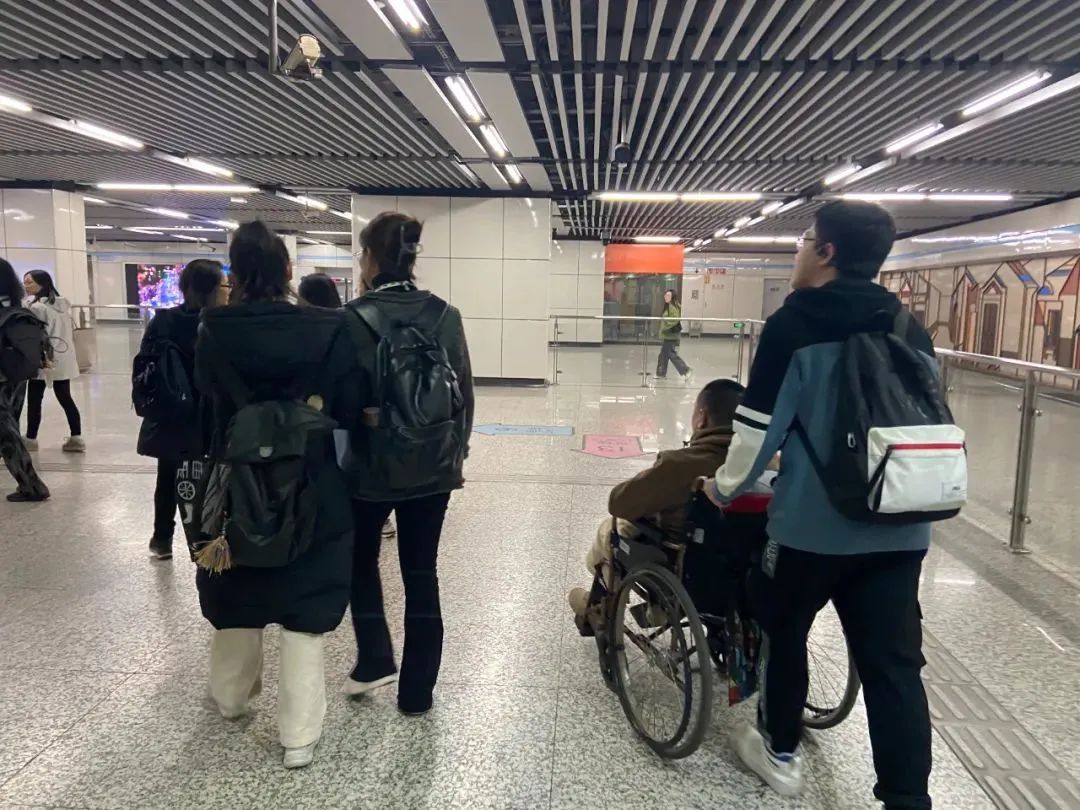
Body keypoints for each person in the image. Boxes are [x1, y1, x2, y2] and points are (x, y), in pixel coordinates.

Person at [704, 201, 935, 808]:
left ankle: (780, 752)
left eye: (806, 240)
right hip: (900, 525)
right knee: (894, 667)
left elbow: (757, 430)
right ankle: (908, 798)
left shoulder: (793, 324)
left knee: (784, 629)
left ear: (827, 252)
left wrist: (723, 488)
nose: (799, 251)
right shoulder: (907, 324)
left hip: (812, 527)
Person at [193, 221, 358, 769]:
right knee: (306, 598)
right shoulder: (329, 327)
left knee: (235, 585)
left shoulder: (213, 328)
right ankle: (298, 736)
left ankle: (231, 697)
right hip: (311, 476)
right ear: (288, 270)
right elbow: (348, 402)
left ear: (234, 272)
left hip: (236, 478)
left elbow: (205, 402)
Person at [342, 211, 474, 716]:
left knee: (360, 562)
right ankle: (417, 693)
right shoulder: (445, 315)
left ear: (371, 257)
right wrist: (454, 453)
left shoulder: (353, 318)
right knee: (421, 574)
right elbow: (464, 395)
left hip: (370, 469)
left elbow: (342, 401)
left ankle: (375, 656)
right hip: (433, 466)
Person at [566, 379, 744, 617]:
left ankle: (603, 609)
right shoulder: (771, 467)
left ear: (701, 417)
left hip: (686, 572)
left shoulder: (681, 465)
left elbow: (619, 503)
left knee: (611, 529)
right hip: (746, 573)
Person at [135, 259, 225, 560]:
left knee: (167, 475)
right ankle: (210, 539)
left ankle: (162, 538)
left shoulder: (163, 320)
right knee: (215, 475)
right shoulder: (219, 321)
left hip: (171, 408)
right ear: (213, 288)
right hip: (211, 411)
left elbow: (146, 362)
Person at [297, 271, 396, 540]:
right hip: (354, 409)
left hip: (328, 408)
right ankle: (378, 517)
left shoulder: (313, 328)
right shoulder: (349, 321)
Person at [0, 259, 50, 502]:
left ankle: (32, 486)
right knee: (10, 428)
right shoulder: (16, 306)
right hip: (18, 375)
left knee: (6, 433)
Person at [22, 270, 83, 452]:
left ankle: (31, 439)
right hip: (63, 358)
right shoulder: (62, 304)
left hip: (43, 359)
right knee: (65, 397)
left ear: (41, 283)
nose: (26, 286)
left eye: (29, 282)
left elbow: (32, 334)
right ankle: (77, 437)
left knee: (34, 399)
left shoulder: (37, 308)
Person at [656, 289, 691, 379]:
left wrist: (665, 326)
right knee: (663, 354)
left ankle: (686, 370)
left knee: (671, 354)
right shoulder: (670, 305)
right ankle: (661, 373)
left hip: (670, 336)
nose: (665, 297)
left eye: (668, 295)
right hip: (668, 335)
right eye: (665, 295)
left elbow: (675, 320)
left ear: (672, 297)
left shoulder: (672, 306)